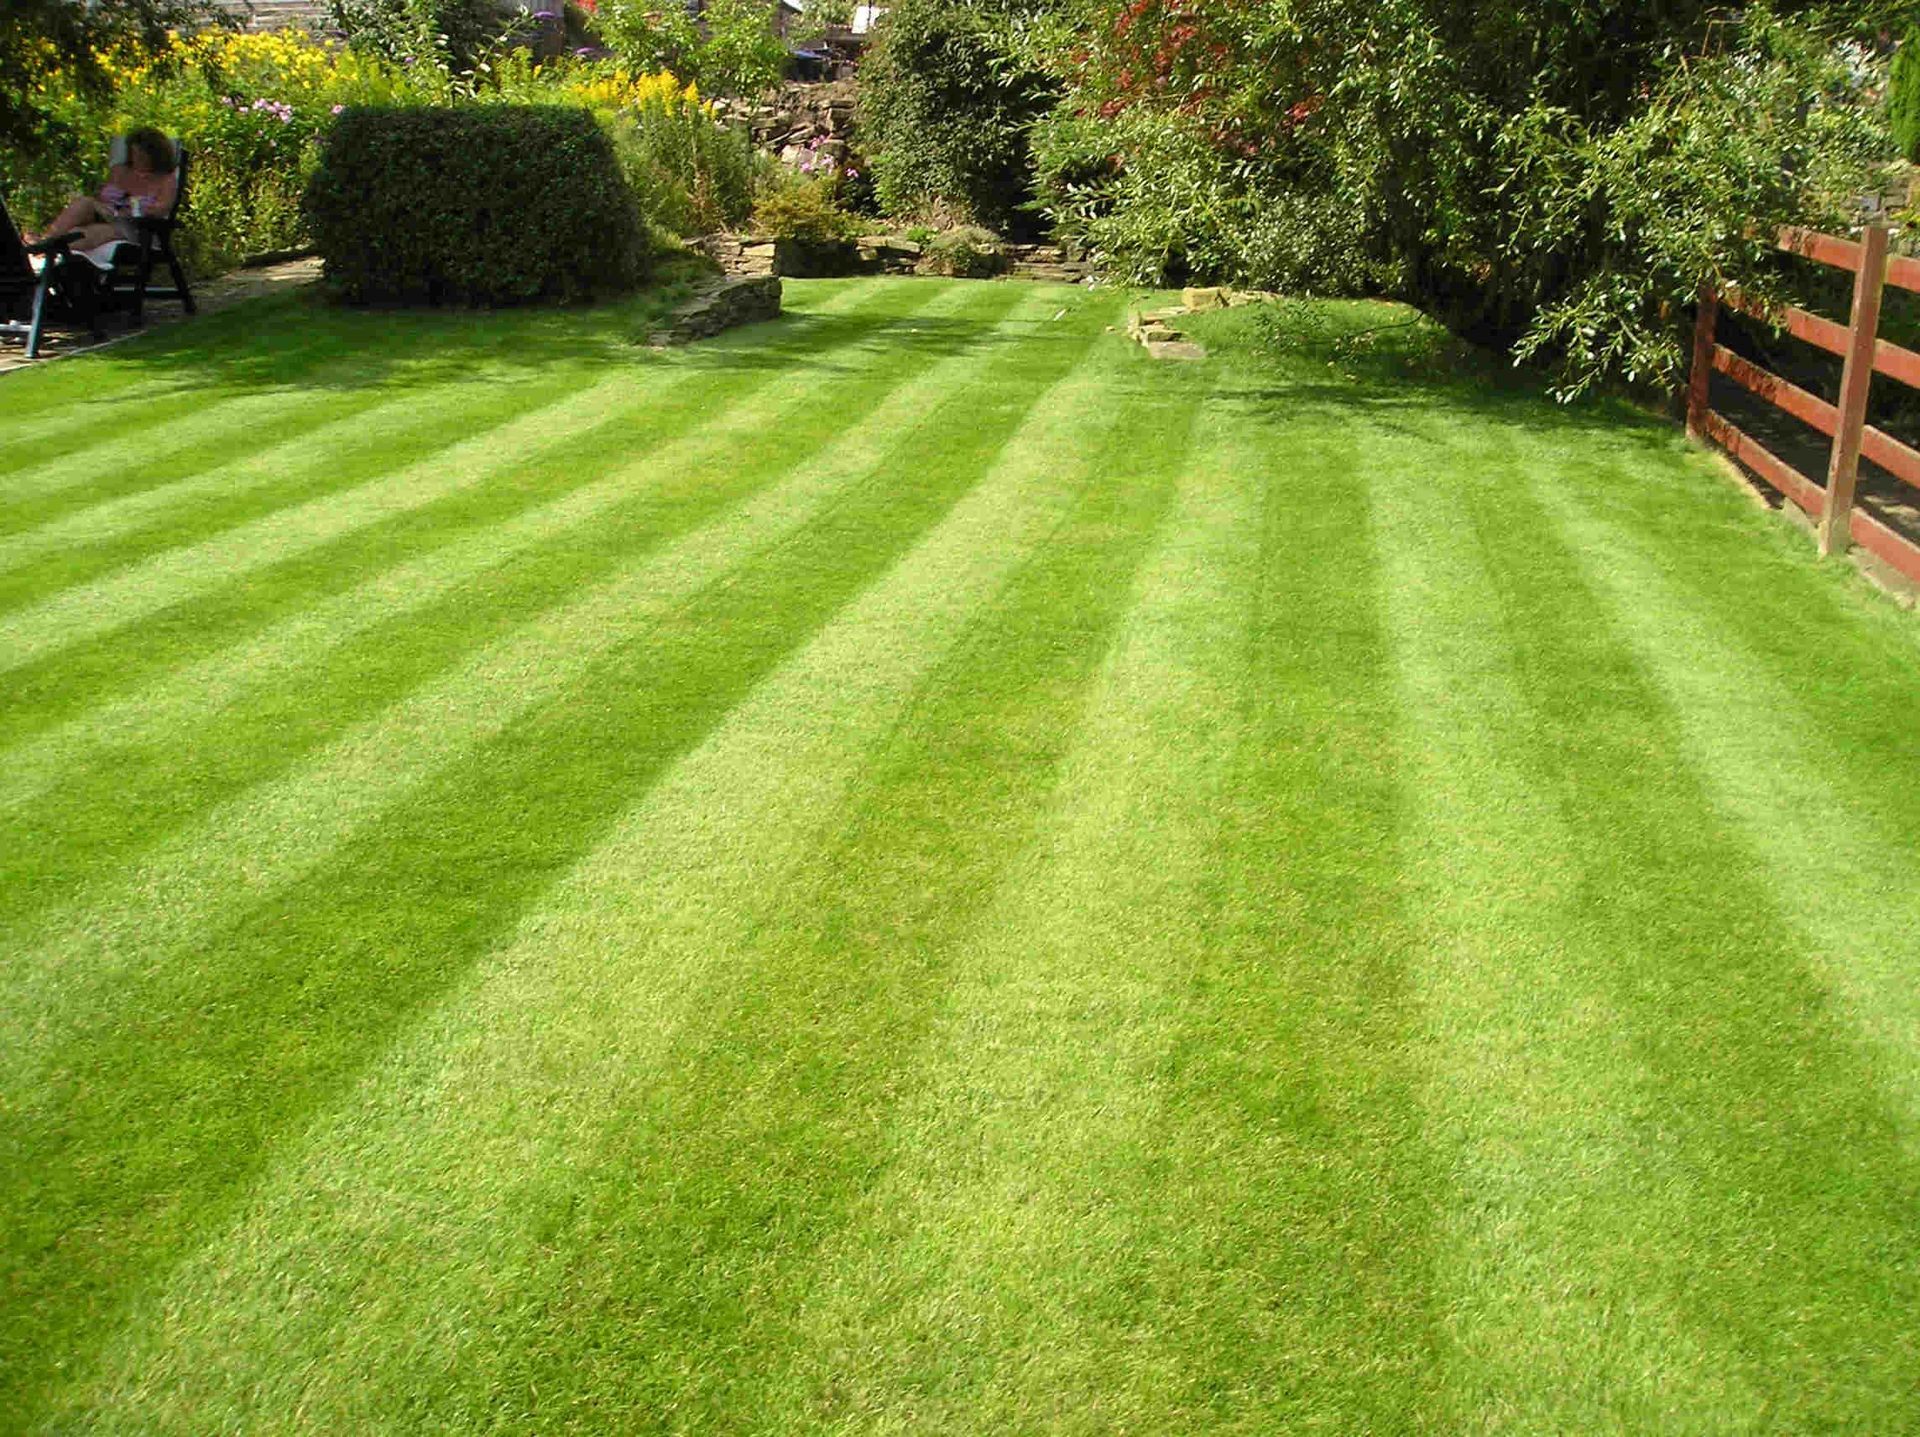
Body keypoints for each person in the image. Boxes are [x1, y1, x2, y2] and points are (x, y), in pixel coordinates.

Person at [27, 129, 178, 252]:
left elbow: (162, 209)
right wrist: (104, 207)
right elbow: (103, 197)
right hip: (104, 215)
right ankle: (45, 242)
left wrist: (126, 209)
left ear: (155, 156)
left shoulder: (165, 179)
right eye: (133, 154)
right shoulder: (120, 171)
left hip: (136, 229)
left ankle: (44, 252)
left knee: (83, 234)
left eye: (141, 155)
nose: (136, 159)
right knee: (84, 203)